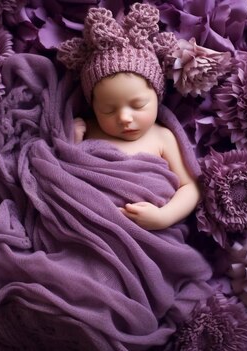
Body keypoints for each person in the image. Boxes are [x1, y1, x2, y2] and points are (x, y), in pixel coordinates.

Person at [58, 4, 200, 231]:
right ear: (93, 107)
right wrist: (71, 142)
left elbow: (190, 188)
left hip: (148, 235)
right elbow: (64, 176)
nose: (124, 117)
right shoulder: (90, 129)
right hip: (90, 228)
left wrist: (164, 217)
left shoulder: (162, 137)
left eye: (138, 105)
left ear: (157, 97)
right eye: (107, 109)